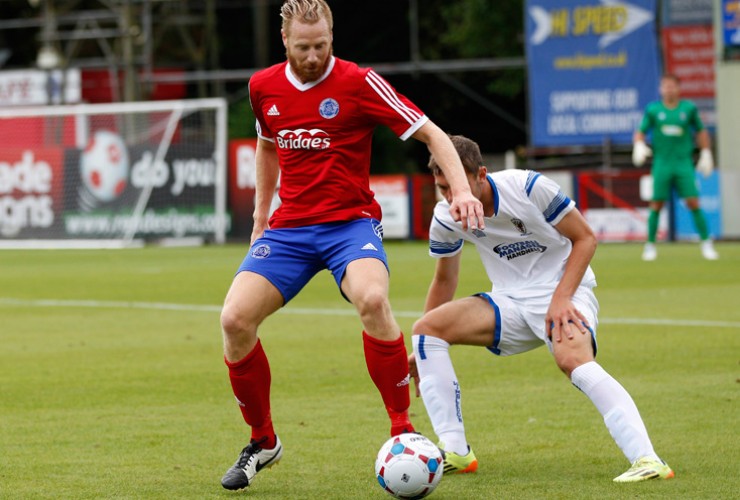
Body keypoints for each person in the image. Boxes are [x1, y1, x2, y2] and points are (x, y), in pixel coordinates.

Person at [218, 0, 485, 492]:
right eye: (304, 48)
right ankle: (263, 441)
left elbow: (433, 134)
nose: (314, 56)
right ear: (285, 43)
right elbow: (268, 145)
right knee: (234, 320)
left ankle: (402, 428)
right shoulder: (263, 88)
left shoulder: (359, 82)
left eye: (322, 45)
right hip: (289, 230)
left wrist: (463, 190)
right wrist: (259, 219)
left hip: (350, 225)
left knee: (373, 299)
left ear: (332, 36)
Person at [408, 134, 674, 482]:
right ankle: (456, 451)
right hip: (509, 302)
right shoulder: (446, 216)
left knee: (573, 361)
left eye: (456, 186)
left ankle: (648, 460)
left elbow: (586, 238)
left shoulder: (528, 187)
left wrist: (561, 298)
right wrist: (420, 351)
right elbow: (444, 280)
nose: (450, 195)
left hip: (564, 292)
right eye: (443, 187)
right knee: (425, 332)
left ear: (481, 175)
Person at [632, 73, 718, 261]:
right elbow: (640, 131)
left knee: (693, 202)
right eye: (665, 86)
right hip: (662, 163)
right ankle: (650, 246)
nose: (668, 89)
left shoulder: (688, 108)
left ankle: (706, 243)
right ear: (660, 89)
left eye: (672, 86)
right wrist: (638, 144)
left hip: (683, 163)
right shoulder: (653, 110)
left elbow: (701, 131)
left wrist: (706, 152)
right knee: (656, 204)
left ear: (678, 88)